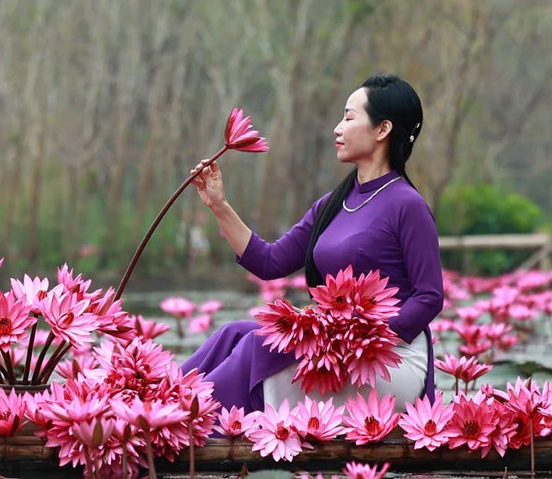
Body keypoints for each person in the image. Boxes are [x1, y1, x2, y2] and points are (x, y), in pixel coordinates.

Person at [182, 74, 445, 413]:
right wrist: (219, 205)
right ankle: (158, 399)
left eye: (349, 117)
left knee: (257, 344)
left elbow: (429, 297)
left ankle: (186, 422)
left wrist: (360, 339)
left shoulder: (408, 206)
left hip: (388, 360)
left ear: (382, 130)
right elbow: (270, 262)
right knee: (233, 332)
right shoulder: (332, 204)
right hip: (335, 347)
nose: (338, 128)